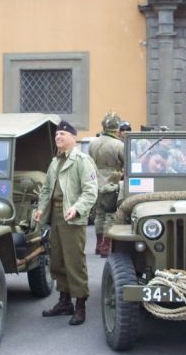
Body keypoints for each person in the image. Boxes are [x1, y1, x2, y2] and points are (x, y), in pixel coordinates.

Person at [34, 120, 97, 326]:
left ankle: (80, 304)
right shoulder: (55, 161)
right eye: (56, 134)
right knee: (57, 259)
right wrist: (41, 209)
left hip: (72, 216)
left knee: (74, 261)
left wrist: (77, 208)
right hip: (56, 214)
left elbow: (90, 191)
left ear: (73, 137)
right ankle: (64, 301)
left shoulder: (82, 160)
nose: (58, 137)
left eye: (62, 134)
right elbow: (46, 190)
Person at [88, 111, 124, 257]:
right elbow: (125, 163)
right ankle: (105, 246)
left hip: (95, 181)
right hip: (112, 183)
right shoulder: (118, 144)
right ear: (117, 128)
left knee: (99, 214)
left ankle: (98, 244)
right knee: (111, 214)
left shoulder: (93, 143)